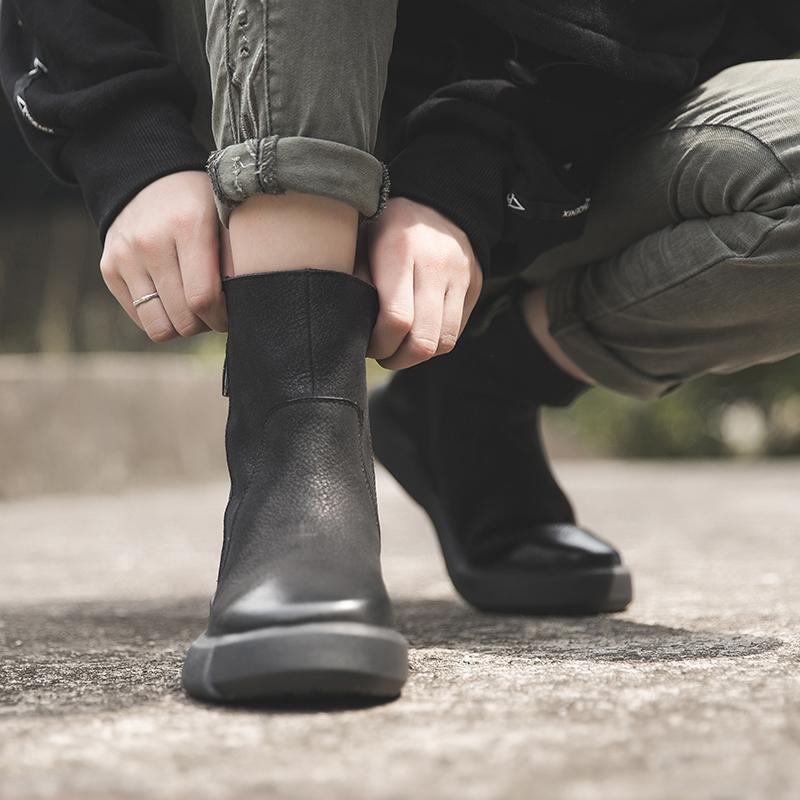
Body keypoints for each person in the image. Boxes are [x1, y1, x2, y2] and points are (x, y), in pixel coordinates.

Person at [2, 0, 799, 704]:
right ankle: (296, 431)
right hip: (240, 70)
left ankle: (467, 403)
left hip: (556, 129)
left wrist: (468, 176)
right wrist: (123, 132)